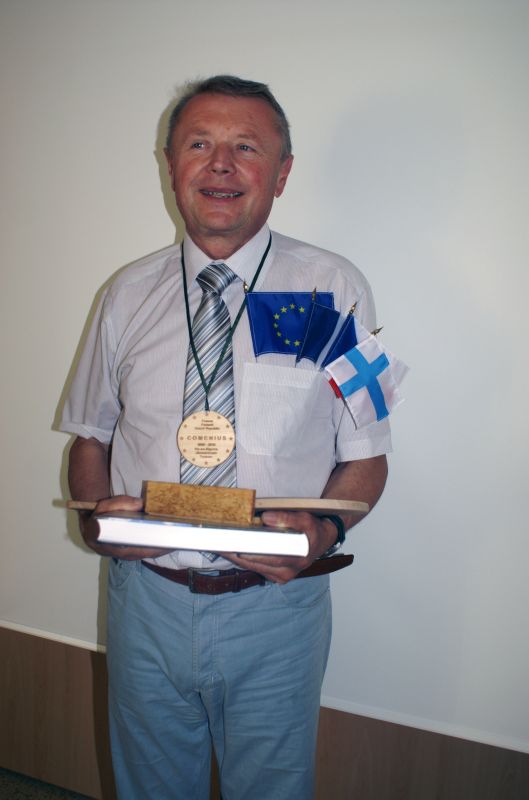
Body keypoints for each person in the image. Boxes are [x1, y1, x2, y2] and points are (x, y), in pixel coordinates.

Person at [59, 75, 391, 800]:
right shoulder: (124, 295)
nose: (219, 164)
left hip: (275, 611)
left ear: (281, 172)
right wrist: (99, 527)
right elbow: (89, 437)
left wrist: (326, 530)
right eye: (199, 144)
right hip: (144, 602)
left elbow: (367, 456)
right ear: (170, 164)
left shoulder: (334, 289)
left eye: (246, 147)